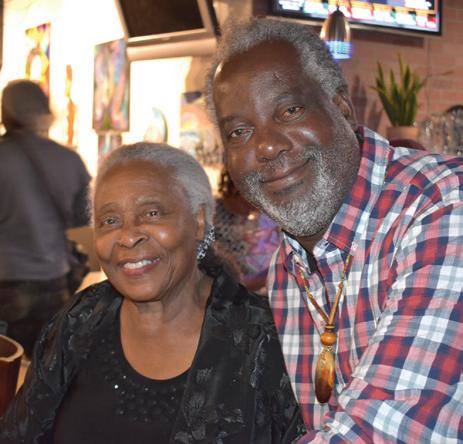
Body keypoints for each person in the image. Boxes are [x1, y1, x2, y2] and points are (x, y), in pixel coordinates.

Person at [204, 18, 463, 442]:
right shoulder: (287, 269)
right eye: (239, 132)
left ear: (342, 107)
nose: (266, 145)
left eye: (289, 110)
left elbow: (383, 433)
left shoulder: (442, 206)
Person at [0, 142, 306, 443]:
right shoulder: (78, 322)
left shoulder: (267, 342)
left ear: (199, 222)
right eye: (110, 220)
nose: (128, 236)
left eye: (152, 213)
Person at [0, 79, 91, 358]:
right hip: (55, 280)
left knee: (7, 368)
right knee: (48, 364)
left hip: (6, 281)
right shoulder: (69, 160)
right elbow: (85, 223)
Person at [214, 167, 280, 294]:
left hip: (268, 290)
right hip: (232, 292)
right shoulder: (213, 214)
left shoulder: (271, 214)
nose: (253, 207)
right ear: (235, 188)